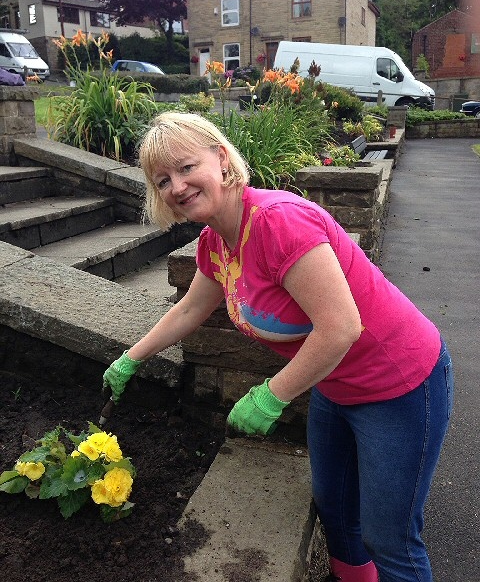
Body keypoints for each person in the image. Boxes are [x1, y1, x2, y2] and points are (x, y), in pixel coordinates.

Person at [103, 112, 453, 582]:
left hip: (400, 385)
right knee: (336, 515)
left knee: (388, 537)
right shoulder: (216, 243)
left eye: (186, 168)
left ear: (222, 158)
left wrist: (273, 393)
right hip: (334, 384)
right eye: (163, 179)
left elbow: (341, 327)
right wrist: (132, 357)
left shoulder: (277, 221)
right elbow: (189, 311)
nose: (177, 186)